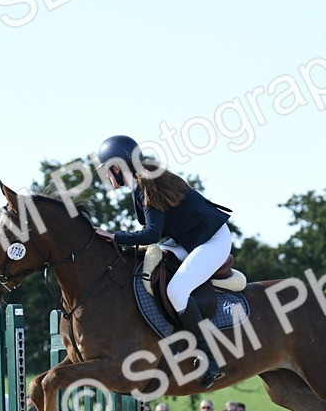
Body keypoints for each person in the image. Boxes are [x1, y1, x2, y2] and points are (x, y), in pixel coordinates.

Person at [94, 134, 231, 389]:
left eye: (106, 171)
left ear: (116, 166)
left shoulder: (145, 184)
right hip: (190, 240)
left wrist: (113, 236)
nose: (106, 177)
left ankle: (210, 357)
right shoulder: (143, 181)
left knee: (176, 290)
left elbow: (152, 234)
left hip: (213, 241)